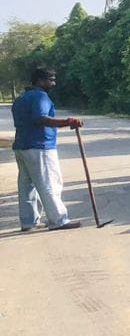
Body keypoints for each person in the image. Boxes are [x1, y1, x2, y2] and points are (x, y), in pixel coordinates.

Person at [11, 66, 83, 231]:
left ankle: (29, 221)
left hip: (22, 146)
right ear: (40, 81)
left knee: (27, 185)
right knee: (49, 182)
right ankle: (58, 219)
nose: (53, 83)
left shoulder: (22, 98)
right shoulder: (40, 96)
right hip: (40, 147)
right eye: (50, 80)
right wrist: (67, 122)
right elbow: (40, 118)